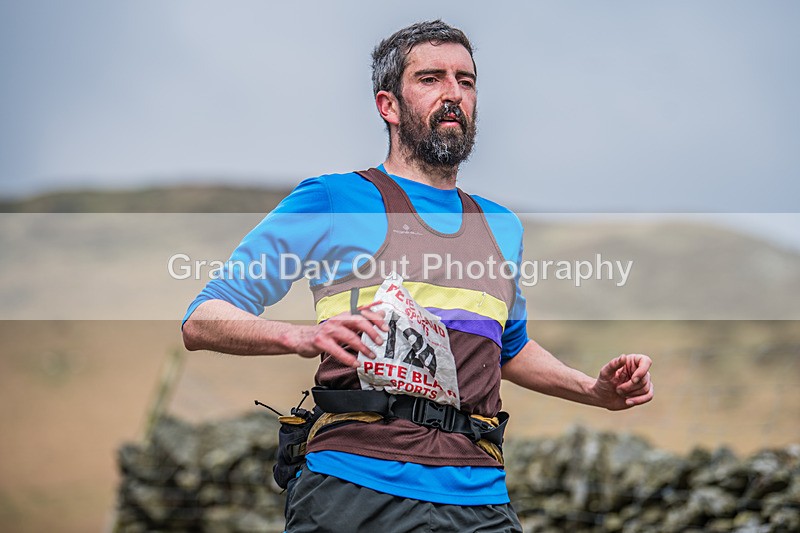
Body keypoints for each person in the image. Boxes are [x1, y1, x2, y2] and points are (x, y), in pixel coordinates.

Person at [182, 20, 654, 532]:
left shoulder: (501, 226)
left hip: (480, 496)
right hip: (356, 486)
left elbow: (508, 350)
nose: (454, 94)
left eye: (466, 81)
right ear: (388, 105)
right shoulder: (333, 199)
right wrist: (300, 336)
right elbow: (203, 318)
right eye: (431, 78)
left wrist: (595, 391)